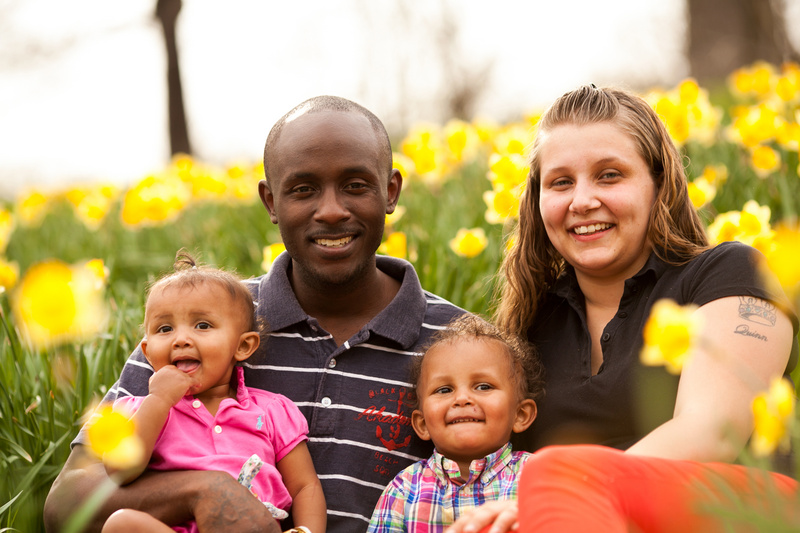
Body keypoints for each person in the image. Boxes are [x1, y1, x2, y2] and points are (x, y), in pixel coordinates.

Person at [44, 96, 466, 533]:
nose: (332, 210)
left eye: (356, 185)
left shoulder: (459, 342)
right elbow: (66, 504)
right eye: (303, 190)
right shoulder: (194, 327)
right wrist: (203, 490)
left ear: (391, 191)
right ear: (270, 202)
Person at [446, 85, 799, 533]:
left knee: (552, 471)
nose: (582, 200)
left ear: (658, 183)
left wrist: (563, 490)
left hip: (737, 512)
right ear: (537, 201)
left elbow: (713, 432)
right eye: (560, 182)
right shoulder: (531, 324)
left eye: (609, 175)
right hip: (567, 519)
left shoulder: (729, 273)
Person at [100, 251, 326, 533]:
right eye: (165, 328)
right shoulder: (136, 410)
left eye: (202, 325)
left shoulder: (271, 411)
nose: (181, 339)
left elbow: (305, 485)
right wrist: (158, 401)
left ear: (243, 346)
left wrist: (306, 531)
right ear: (146, 352)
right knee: (121, 523)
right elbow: (119, 472)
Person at [367, 314, 542, 532]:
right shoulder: (404, 490)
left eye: (483, 386)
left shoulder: (539, 480)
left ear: (520, 414)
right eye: (444, 390)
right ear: (421, 424)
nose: (462, 398)